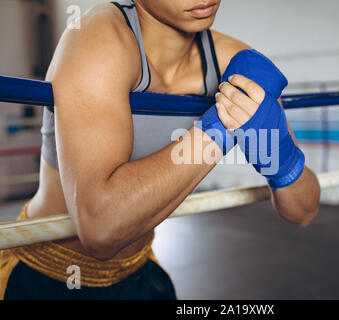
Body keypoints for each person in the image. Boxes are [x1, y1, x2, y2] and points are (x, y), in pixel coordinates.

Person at [0, 0, 320, 299]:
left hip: (141, 271)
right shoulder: (99, 38)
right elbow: (100, 228)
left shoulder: (233, 62)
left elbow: (303, 210)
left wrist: (282, 158)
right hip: (42, 276)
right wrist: (218, 129)